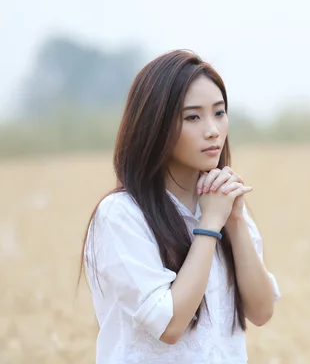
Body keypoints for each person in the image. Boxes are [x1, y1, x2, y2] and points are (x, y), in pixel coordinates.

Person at [78, 49, 281, 363]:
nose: (212, 129)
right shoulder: (122, 215)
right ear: (155, 125)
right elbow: (170, 324)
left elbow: (261, 310)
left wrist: (235, 221)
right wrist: (209, 226)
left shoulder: (224, 206)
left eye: (219, 112)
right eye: (193, 117)